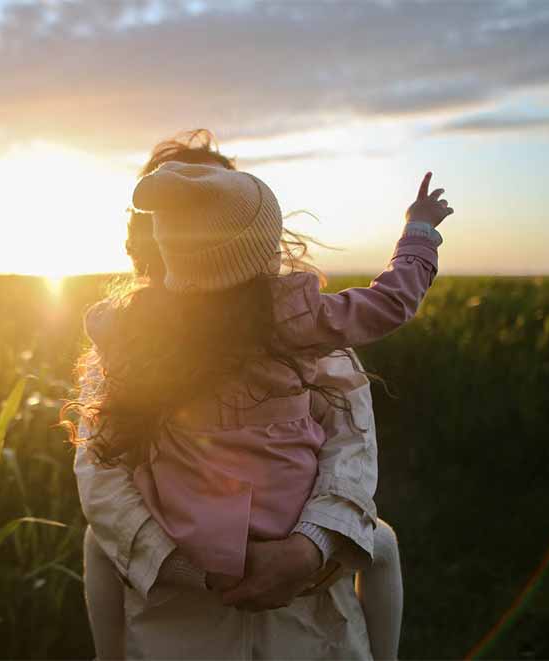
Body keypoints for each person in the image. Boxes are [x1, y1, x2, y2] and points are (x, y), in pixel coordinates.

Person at [70, 131, 443, 659]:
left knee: (379, 540)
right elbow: (102, 475)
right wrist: (184, 567)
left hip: (311, 618)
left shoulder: (307, 346)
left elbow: (350, 452)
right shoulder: (292, 324)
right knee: (96, 541)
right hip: (175, 620)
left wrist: (309, 547)